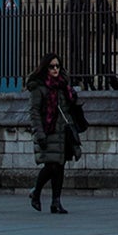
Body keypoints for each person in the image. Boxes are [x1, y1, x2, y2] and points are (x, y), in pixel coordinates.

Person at [25, 53, 86, 214]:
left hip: (64, 130)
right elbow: (34, 113)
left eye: (57, 66)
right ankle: (36, 192)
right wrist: (39, 134)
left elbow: (70, 105)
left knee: (60, 166)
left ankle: (56, 202)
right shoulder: (39, 88)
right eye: (52, 66)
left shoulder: (63, 85)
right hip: (48, 130)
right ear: (45, 68)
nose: (55, 69)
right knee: (51, 166)